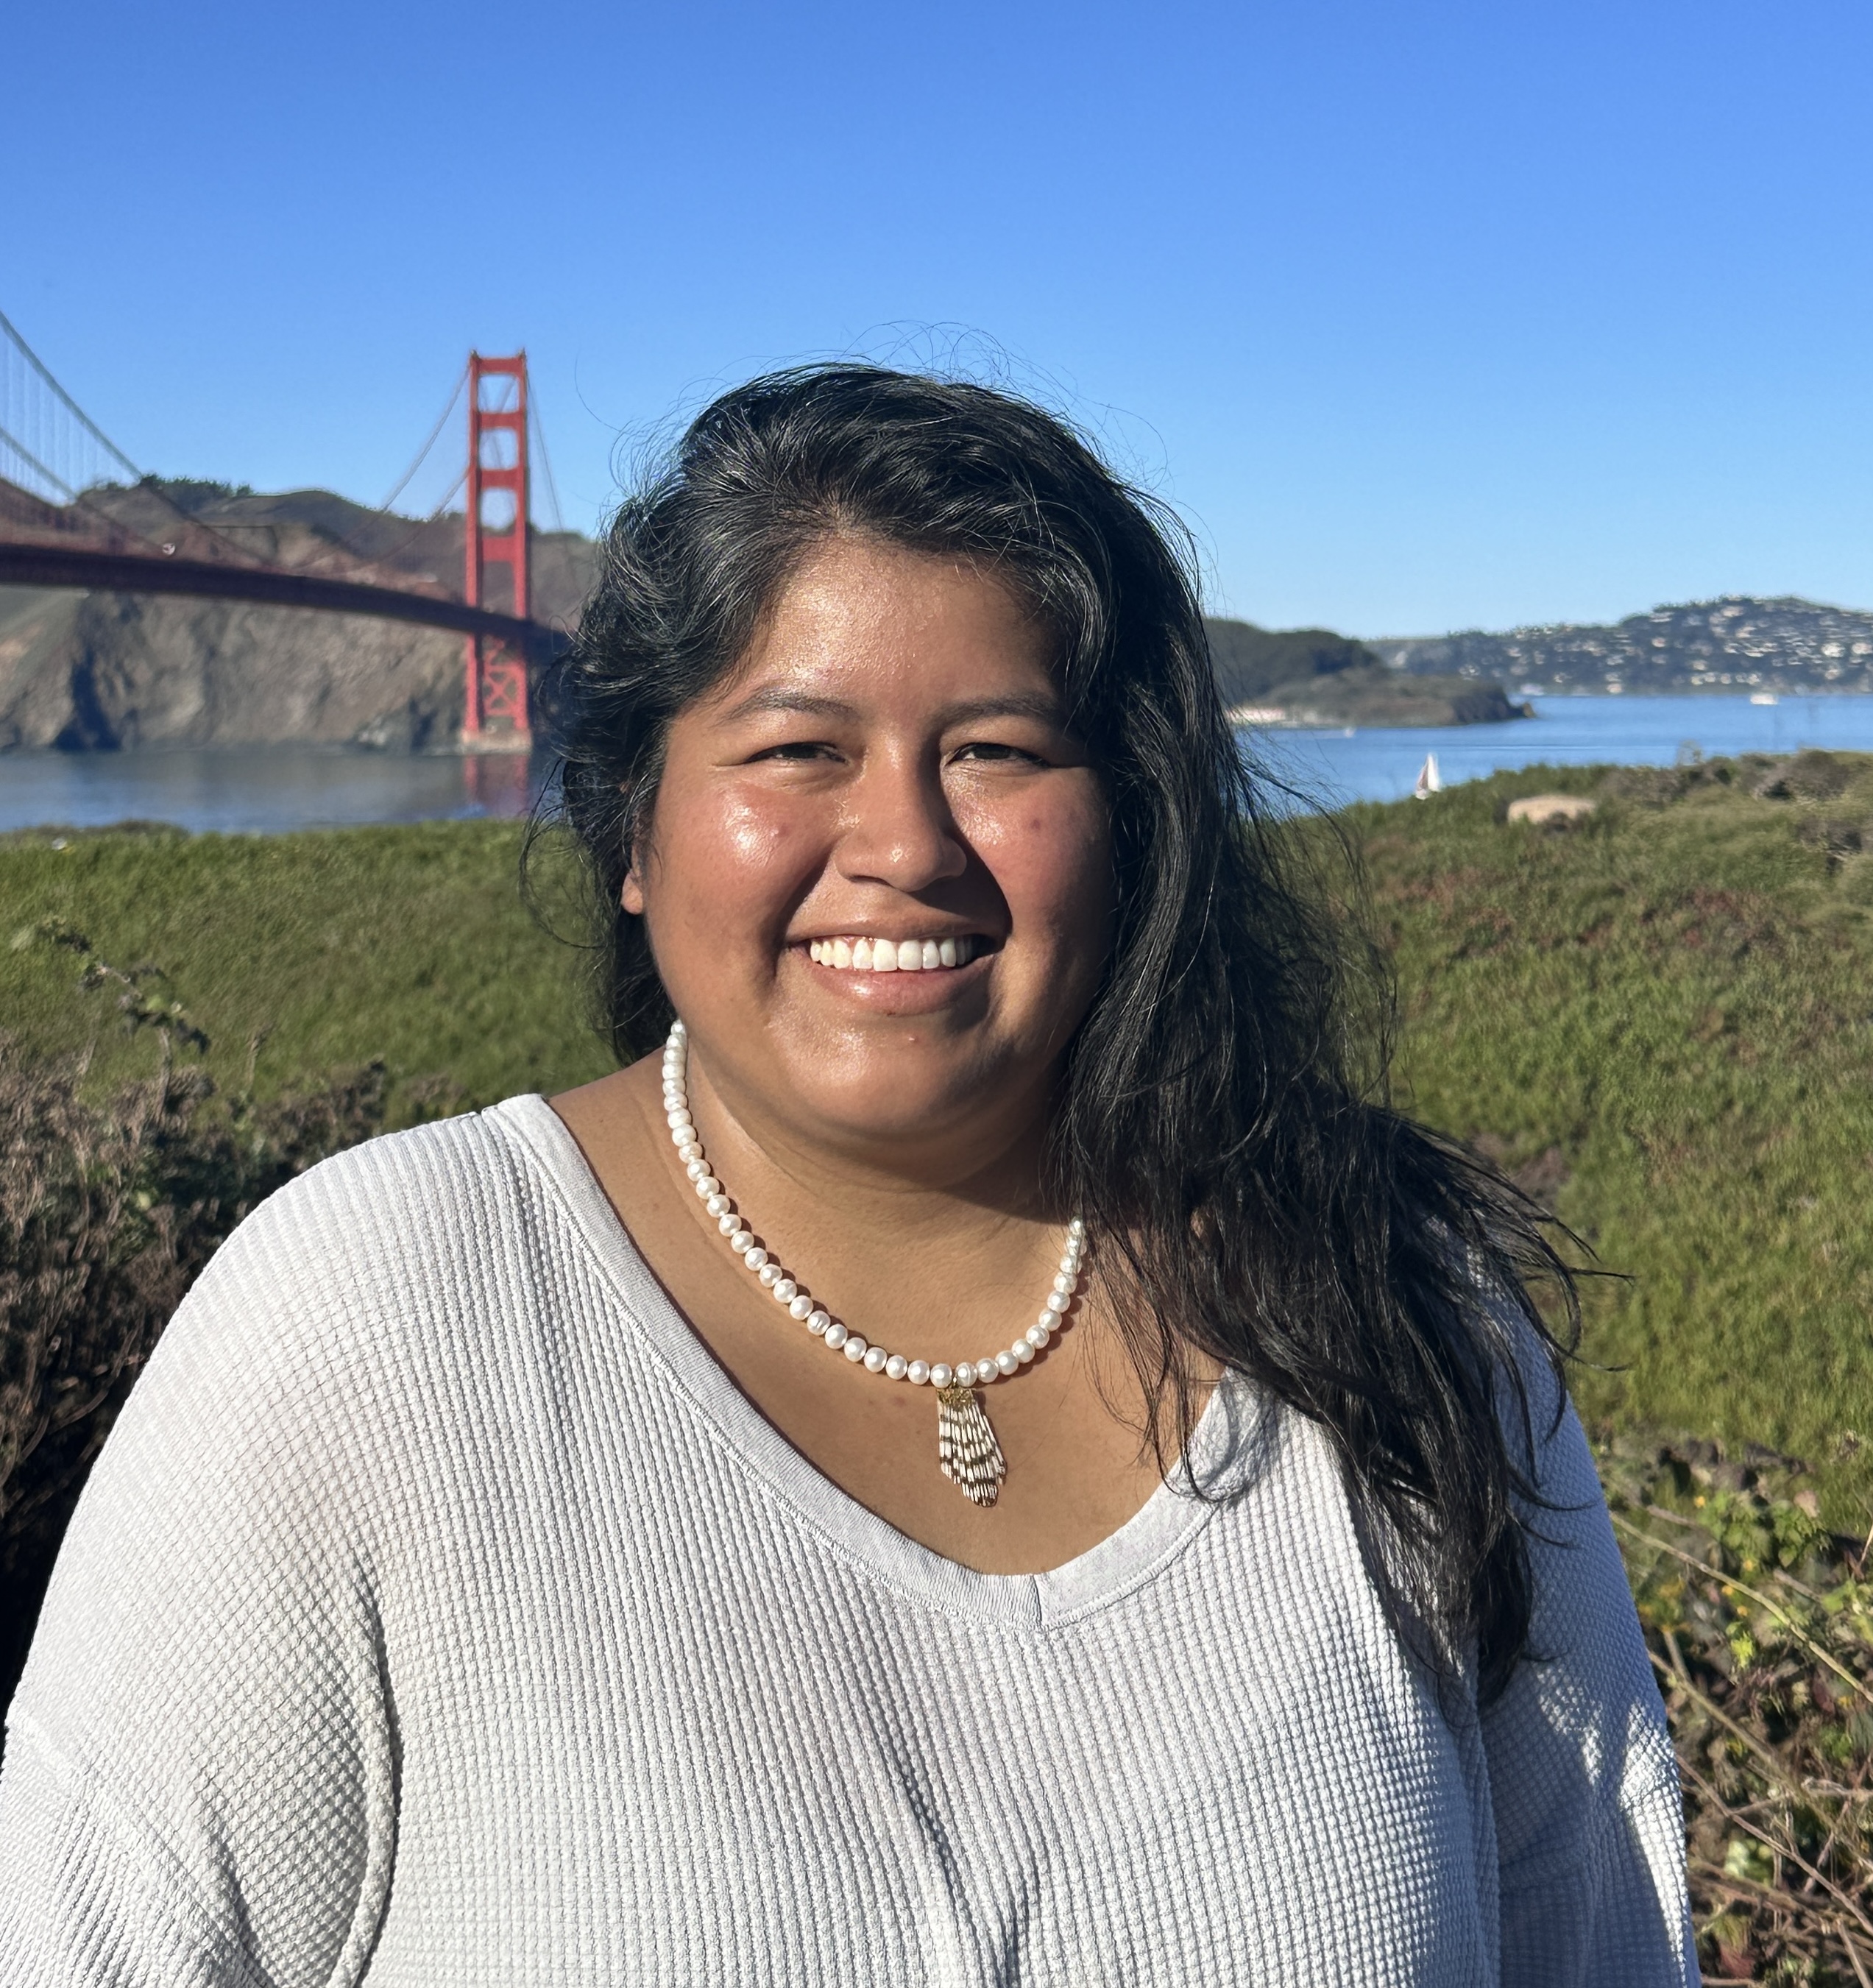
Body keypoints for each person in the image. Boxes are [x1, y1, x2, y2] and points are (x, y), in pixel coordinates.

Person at [0, 365, 1693, 1984]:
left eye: (998, 751)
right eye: (798, 748)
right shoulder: (364, 1320)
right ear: (634, 837)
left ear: (1134, 827)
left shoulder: (1400, 1313)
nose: (901, 841)